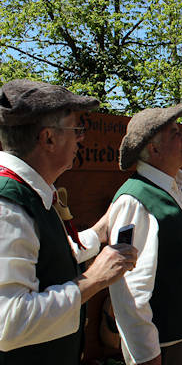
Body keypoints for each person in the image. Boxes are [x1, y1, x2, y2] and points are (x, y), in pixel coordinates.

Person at [0, 79, 137, 364]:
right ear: (48, 138)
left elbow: (44, 260)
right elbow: (8, 323)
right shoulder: (9, 205)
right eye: (76, 129)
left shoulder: (29, 193)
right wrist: (93, 279)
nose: (81, 138)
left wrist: (98, 234)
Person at [108, 104, 182, 365]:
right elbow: (128, 290)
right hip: (163, 346)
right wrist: (146, 354)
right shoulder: (135, 200)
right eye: (174, 133)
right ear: (153, 149)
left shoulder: (175, 188)